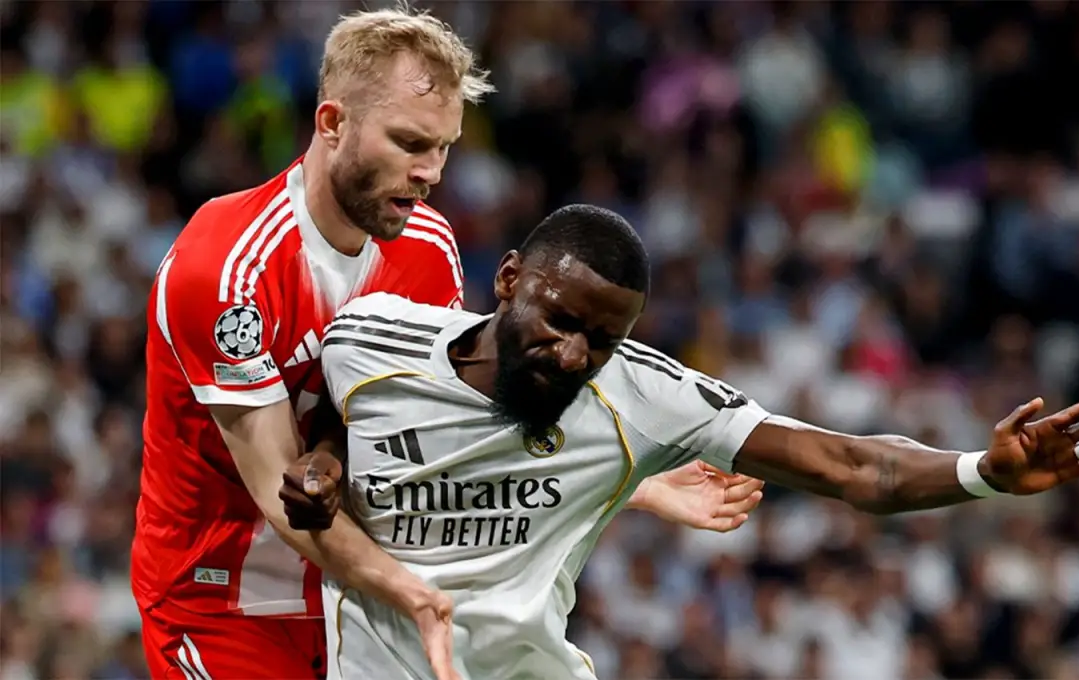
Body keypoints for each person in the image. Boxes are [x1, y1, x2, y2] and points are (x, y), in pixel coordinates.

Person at [133, 7, 761, 680]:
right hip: (222, 604)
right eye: (409, 144)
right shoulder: (230, 268)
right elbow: (280, 495)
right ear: (332, 123)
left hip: (356, 601)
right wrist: (414, 595)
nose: (431, 172)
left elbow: (440, 433)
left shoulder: (427, 246)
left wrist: (626, 482)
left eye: (444, 147)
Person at [282, 203, 1079, 680]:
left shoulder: (639, 392)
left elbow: (848, 464)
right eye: (559, 322)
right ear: (508, 280)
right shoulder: (373, 339)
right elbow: (332, 415)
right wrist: (320, 463)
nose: (575, 355)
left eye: (602, 340)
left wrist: (980, 472)